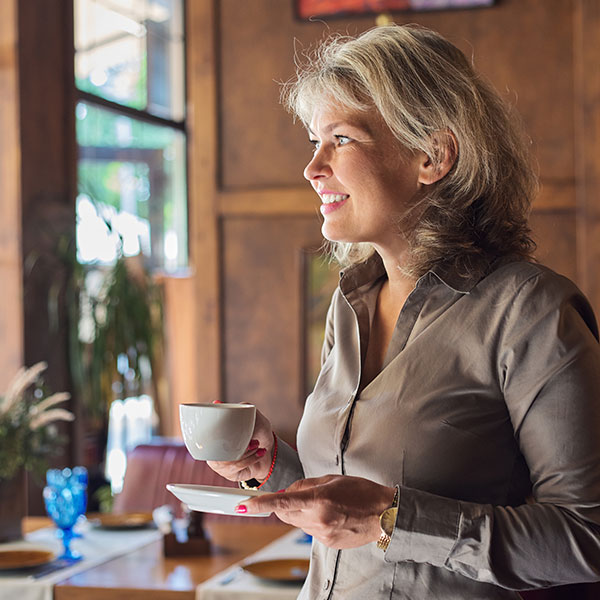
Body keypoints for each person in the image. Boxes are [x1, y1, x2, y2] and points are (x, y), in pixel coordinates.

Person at [207, 24, 600, 599]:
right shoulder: (349, 304)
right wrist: (274, 470)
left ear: (433, 155)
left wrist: (394, 519)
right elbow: (350, 510)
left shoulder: (531, 311)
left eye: (340, 139)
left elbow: (586, 538)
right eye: (314, 142)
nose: (313, 168)